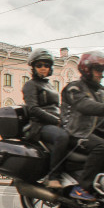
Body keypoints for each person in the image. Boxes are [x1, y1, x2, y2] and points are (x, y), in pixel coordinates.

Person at [61, 50, 104, 201]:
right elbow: (85, 105)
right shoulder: (74, 88)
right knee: (102, 147)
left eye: (103, 70)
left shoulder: (100, 91)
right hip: (76, 133)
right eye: (98, 70)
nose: (101, 74)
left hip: (97, 133)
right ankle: (82, 187)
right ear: (87, 69)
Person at [22, 48, 70, 188]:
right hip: (39, 126)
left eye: (46, 65)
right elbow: (33, 109)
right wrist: (56, 120)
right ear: (33, 67)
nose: (43, 68)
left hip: (54, 123)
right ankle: (53, 176)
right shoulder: (30, 85)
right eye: (39, 65)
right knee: (62, 137)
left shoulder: (49, 85)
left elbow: (57, 107)